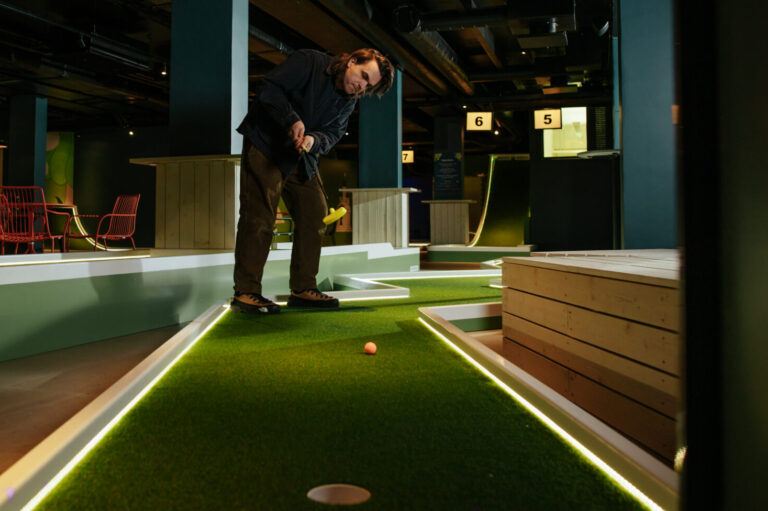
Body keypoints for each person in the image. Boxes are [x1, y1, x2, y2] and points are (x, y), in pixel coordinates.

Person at [232, 48, 394, 314]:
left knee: (315, 214)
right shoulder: (309, 62)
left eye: (368, 85)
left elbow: (332, 134)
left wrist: (313, 140)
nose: (361, 86)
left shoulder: (349, 101)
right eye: (363, 76)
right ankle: (246, 292)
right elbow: (268, 88)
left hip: (300, 155)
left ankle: (303, 289)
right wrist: (291, 120)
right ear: (352, 61)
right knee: (259, 217)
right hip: (266, 145)